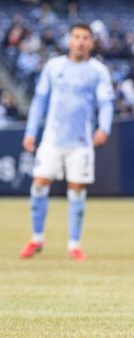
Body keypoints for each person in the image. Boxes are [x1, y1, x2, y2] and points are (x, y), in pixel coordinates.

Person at [20, 23, 114, 261]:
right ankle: (37, 238)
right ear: (69, 40)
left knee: (77, 190)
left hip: (81, 142)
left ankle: (74, 244)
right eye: (76, 37)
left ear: (92, 42)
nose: (80, 42)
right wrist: (31, 131)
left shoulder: (98, 71)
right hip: (52, 139)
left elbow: (105, 103)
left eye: (85, 38)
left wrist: (104, 127)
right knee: (39, 183)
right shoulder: (54, 67)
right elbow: (40, 100)